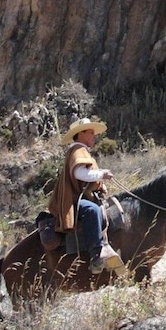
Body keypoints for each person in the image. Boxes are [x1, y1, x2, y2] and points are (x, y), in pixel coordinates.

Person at [48, 117, 116, 273]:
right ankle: (96, 256)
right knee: (92, 210)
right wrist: (101, 174)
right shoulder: (78, 150)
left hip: (82, 196)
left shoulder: (80, 150)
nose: (94, 136)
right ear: (80, 134)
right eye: (90, 132)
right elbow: (79, 173)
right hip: (72, 200)